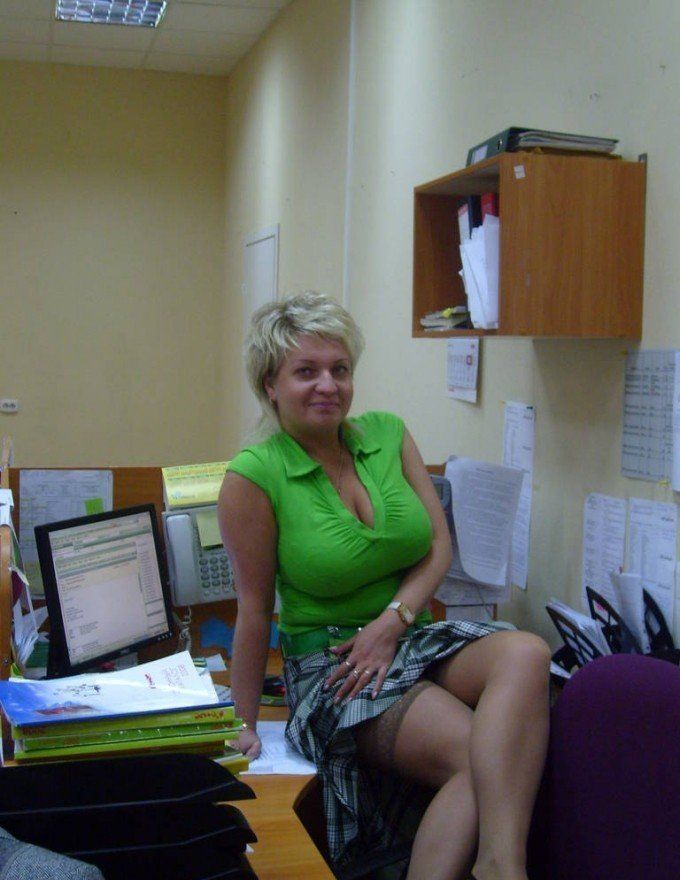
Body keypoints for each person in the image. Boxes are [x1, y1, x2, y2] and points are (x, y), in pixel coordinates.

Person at [218, 292, 551, 880]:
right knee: (475, 756)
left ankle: (501, 866)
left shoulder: (388, 435)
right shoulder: (255, 475)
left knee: (528, 651)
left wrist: (392, 622)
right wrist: (243, 723)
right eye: (306, 371)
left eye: (340, 369)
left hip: (407, 634)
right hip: (333, 667)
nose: (328, 385)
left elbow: (438, 545)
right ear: (270, 385)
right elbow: (253, 608)